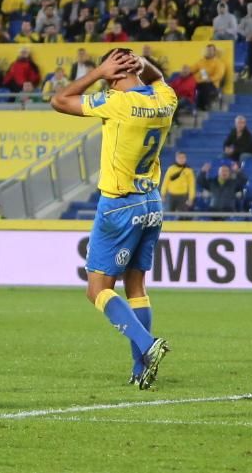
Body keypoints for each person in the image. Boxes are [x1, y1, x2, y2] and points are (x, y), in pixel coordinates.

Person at [50, 49, 172, 390]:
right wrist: (142, 63)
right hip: (151, 203)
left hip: (119, 205)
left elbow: (60, 100)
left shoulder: (116, 103)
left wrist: (96, 72)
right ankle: (140, 370)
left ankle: (147, 346)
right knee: (136, 286)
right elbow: (158, 78)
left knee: (97, 290)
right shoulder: (166, 98)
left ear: (112, 74)